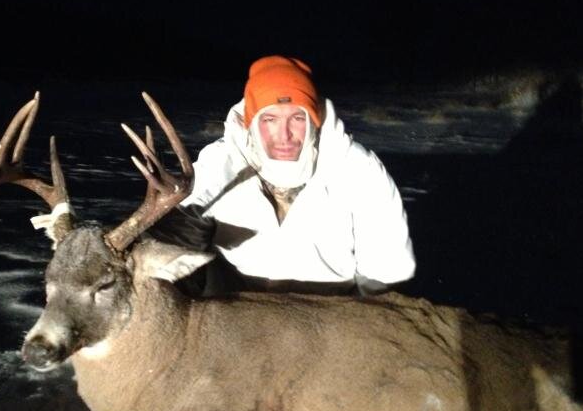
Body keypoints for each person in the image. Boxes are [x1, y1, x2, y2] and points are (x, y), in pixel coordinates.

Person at [153, 55, 415, 296]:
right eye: (269, 119)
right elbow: (175, 254)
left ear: (315, 121)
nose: (285, 135)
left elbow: (386, 277)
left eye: (297, 118)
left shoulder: (358, 171)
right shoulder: (220, 166)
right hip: (234, 318)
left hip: (329, 321)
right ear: (250, 124)